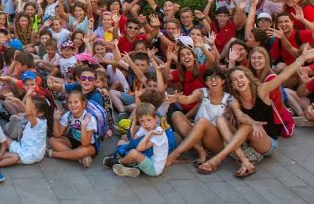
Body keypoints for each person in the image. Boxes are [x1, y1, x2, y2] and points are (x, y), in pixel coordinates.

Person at [197, 47, 314, 177]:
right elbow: (241, 116)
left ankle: (216, 160)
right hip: (247, 137)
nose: (239, 81)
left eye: (241, 77)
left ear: (248, 79)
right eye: (235, 80)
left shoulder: (261, 90)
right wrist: (251, 122)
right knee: (221, 119)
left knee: (247, 126)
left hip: (267, 141)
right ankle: (245, 161)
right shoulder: (236, 99)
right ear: (233, 85)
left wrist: (302, 59)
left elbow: (283, 76)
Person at [109, 102, 171, 178]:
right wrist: (134, 123)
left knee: (133, 153)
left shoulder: (159, 133)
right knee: (121, 142)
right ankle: (131, 167)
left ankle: (119, 162)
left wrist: (149, 133)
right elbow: (133, 140)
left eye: (149, 120)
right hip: (147, 155)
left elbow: (138, 148)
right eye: (142, 121)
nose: (146, 124)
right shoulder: (144, 127)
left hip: (154, 168)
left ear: (156, 119)